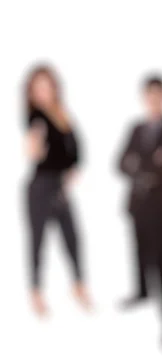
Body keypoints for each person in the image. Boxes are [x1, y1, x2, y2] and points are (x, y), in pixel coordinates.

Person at [117, 75, 162, 346]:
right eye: (149, 96)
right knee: (137, 249)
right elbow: (119, 163)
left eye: (158, 96)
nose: (154, 101)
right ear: (144, 98)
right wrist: (149, 164)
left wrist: (138, 165)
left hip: (160, 208)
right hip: (137, 204)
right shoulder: (135, 128)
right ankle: (142, 292)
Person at [22, 64, 91, 317]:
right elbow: (33, 149)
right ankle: (36, 292)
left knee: (72, 237)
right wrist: (34, 146)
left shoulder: (61, 114)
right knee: (37, 240)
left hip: (60, 187)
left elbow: (75, 150)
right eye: (37, 88)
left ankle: (79, 286)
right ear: (31, 92)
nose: (42, 92)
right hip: (40, 187)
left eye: (46, 86)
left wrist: (72, 171)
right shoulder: (36, 117)